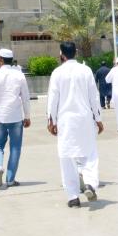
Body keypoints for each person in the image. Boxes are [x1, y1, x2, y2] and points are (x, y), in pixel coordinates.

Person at [48, 41, 104, 208]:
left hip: (65, 121)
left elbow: (53, 99)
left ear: (61, 55)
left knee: (67, 158)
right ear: (76, 53)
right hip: (85, 119)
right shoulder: (85, 70)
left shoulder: (57, 73)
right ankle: (89, 184)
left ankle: (73, 196)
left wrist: (51, 121)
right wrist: (99, 119)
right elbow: (94, 96)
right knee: (89, 154)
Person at [0, 48, 31, 189]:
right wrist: (27, 116)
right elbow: (26, 98)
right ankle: (10, 179)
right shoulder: (19, 75)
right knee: (15, 148)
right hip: (16, 117)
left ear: (1, 59)